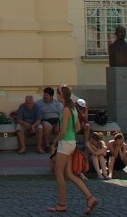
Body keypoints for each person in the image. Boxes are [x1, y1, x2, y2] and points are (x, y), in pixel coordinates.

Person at [48, 85, 98, 214]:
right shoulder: (73, 108)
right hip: (72, 143)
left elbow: (63, 131)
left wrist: (55, 141)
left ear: (62, 95)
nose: (56, 95)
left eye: (57, 93)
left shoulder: (65, 109)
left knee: (59, 173)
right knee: (69, 174)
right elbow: (77, 128)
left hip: (65, 143)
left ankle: (62, 204)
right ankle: (90, 197)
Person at [38, 86, 63, 152]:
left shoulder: (57, 103)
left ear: (51, 96)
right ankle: (47, 145)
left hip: (57, 120)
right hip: (46, 120)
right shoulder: (39, 103)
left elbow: (62, 115)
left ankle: (59, 145)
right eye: (44, 95)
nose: (45, 96)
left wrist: (58, 125)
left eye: (47, 95)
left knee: (61, 128)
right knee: (47, 127)